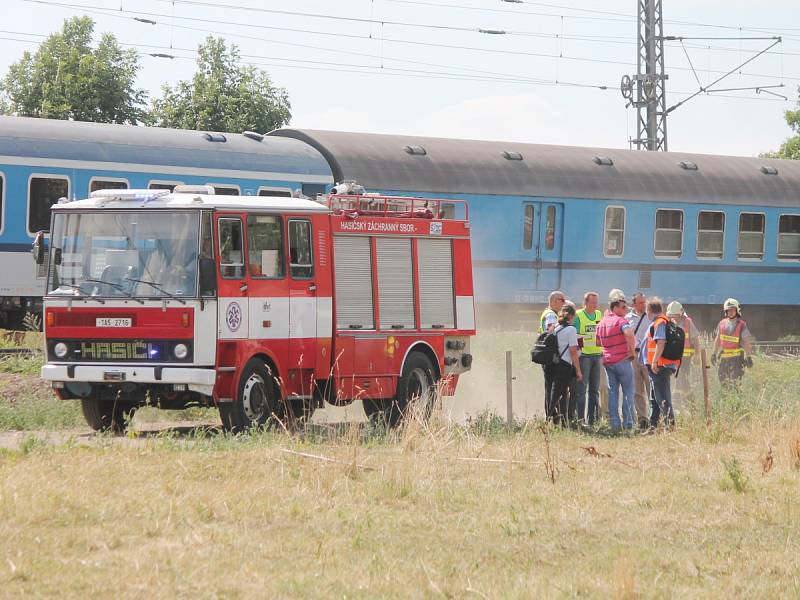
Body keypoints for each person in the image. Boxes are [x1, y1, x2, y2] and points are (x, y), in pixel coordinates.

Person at [595, 289, 636, 432]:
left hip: (608, 362)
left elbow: (597, 342)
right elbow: (629, 334)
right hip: (623, 361)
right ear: (615, 307)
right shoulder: (621, 321)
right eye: (623, 307)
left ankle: (614, 424)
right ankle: (628, 423)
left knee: (613, 393)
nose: (625, 310)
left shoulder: (601, 323)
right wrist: (631, 351)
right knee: (628, 392)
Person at [644, 298, 680, 430]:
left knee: (663, 398)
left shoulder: (659, 323)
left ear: (649, 310)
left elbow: (661, 342)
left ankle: (670, 427)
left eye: (646, 311)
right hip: (658, 366)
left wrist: (653, 361)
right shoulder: (661, 322)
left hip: (659, 366)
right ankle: (653, 427)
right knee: (654, 399)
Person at [549, 304, 583, 427]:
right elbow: (573, 351)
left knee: (557, 392)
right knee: (563, 394)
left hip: (554, 363)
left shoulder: (555, 327)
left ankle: (555, 419)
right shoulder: (571, 330)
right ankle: (562, 421)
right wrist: (578, 370)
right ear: (571, 316)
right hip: (565, 364)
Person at [573, 292, 603, 426]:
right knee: (582, 389)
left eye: (596, 302)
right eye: (593, 302)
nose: (595, 305)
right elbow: (576, 336)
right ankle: (580, 420)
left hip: (597, 356)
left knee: (594, 390)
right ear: (585, 303)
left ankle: (593, 420)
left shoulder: (599, 314)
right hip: (584, 357)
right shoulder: (578, 315)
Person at [711, 298, 753, 389]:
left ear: (737, 311)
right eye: (728, 310)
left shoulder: (741, 325)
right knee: (723, 383)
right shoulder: (721, 323)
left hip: (737, 360)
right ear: (726, 311)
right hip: (724, 360)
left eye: (732, 310)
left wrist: (749, 357)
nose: (730, 312)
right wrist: (713, 354)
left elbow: (746, 343)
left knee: (735, 384)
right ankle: (727, 401)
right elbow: (717, 340)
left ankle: (736, 402)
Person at [538, 291, 567, 420]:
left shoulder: (550, 313)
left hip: (548, 355)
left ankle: (551, 415)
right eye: (563, 300)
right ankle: (551, 416)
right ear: (555, 300)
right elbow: (552, 333)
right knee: (551, 387)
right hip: (551, 357)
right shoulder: (551, 316)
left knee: (550, 387)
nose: (564, 303)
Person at [666, 301, 701, 405]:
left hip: (685, 359)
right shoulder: (669, 324)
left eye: (675, 315)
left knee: (681, 378)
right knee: (681, 380)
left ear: (680, 314)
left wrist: (697, 354)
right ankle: (688, 402)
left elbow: (695, 339)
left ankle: (680, 401)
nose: (673, 318)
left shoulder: (687, 322)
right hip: (673, 358)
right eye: (671, 316)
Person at [625, 292, 652, 429]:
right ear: (634, 304)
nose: (644, 304)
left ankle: (655, 416)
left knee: (650, 387)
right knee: (637, 389)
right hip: (633, 356)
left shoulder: (651, 316)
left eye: (644, 302)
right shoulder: (627, 318)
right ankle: (643, 419)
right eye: (641, 303)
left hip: (647, 356)